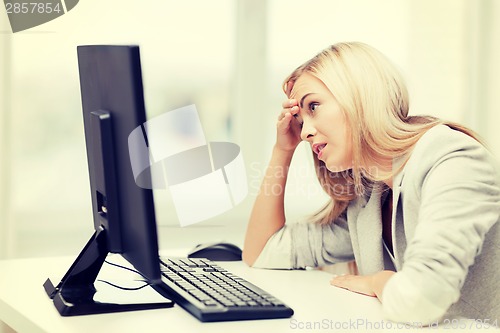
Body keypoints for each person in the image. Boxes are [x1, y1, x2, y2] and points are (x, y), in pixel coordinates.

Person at [242, 41, 500, 325]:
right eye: (301, 121)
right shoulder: (369, 197)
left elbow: (420, 301)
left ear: (359, 96)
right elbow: (261, 251)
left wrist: (380, 281)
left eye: (313, 106)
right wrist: (282, 151)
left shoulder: (453, 160)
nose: (304, 133)